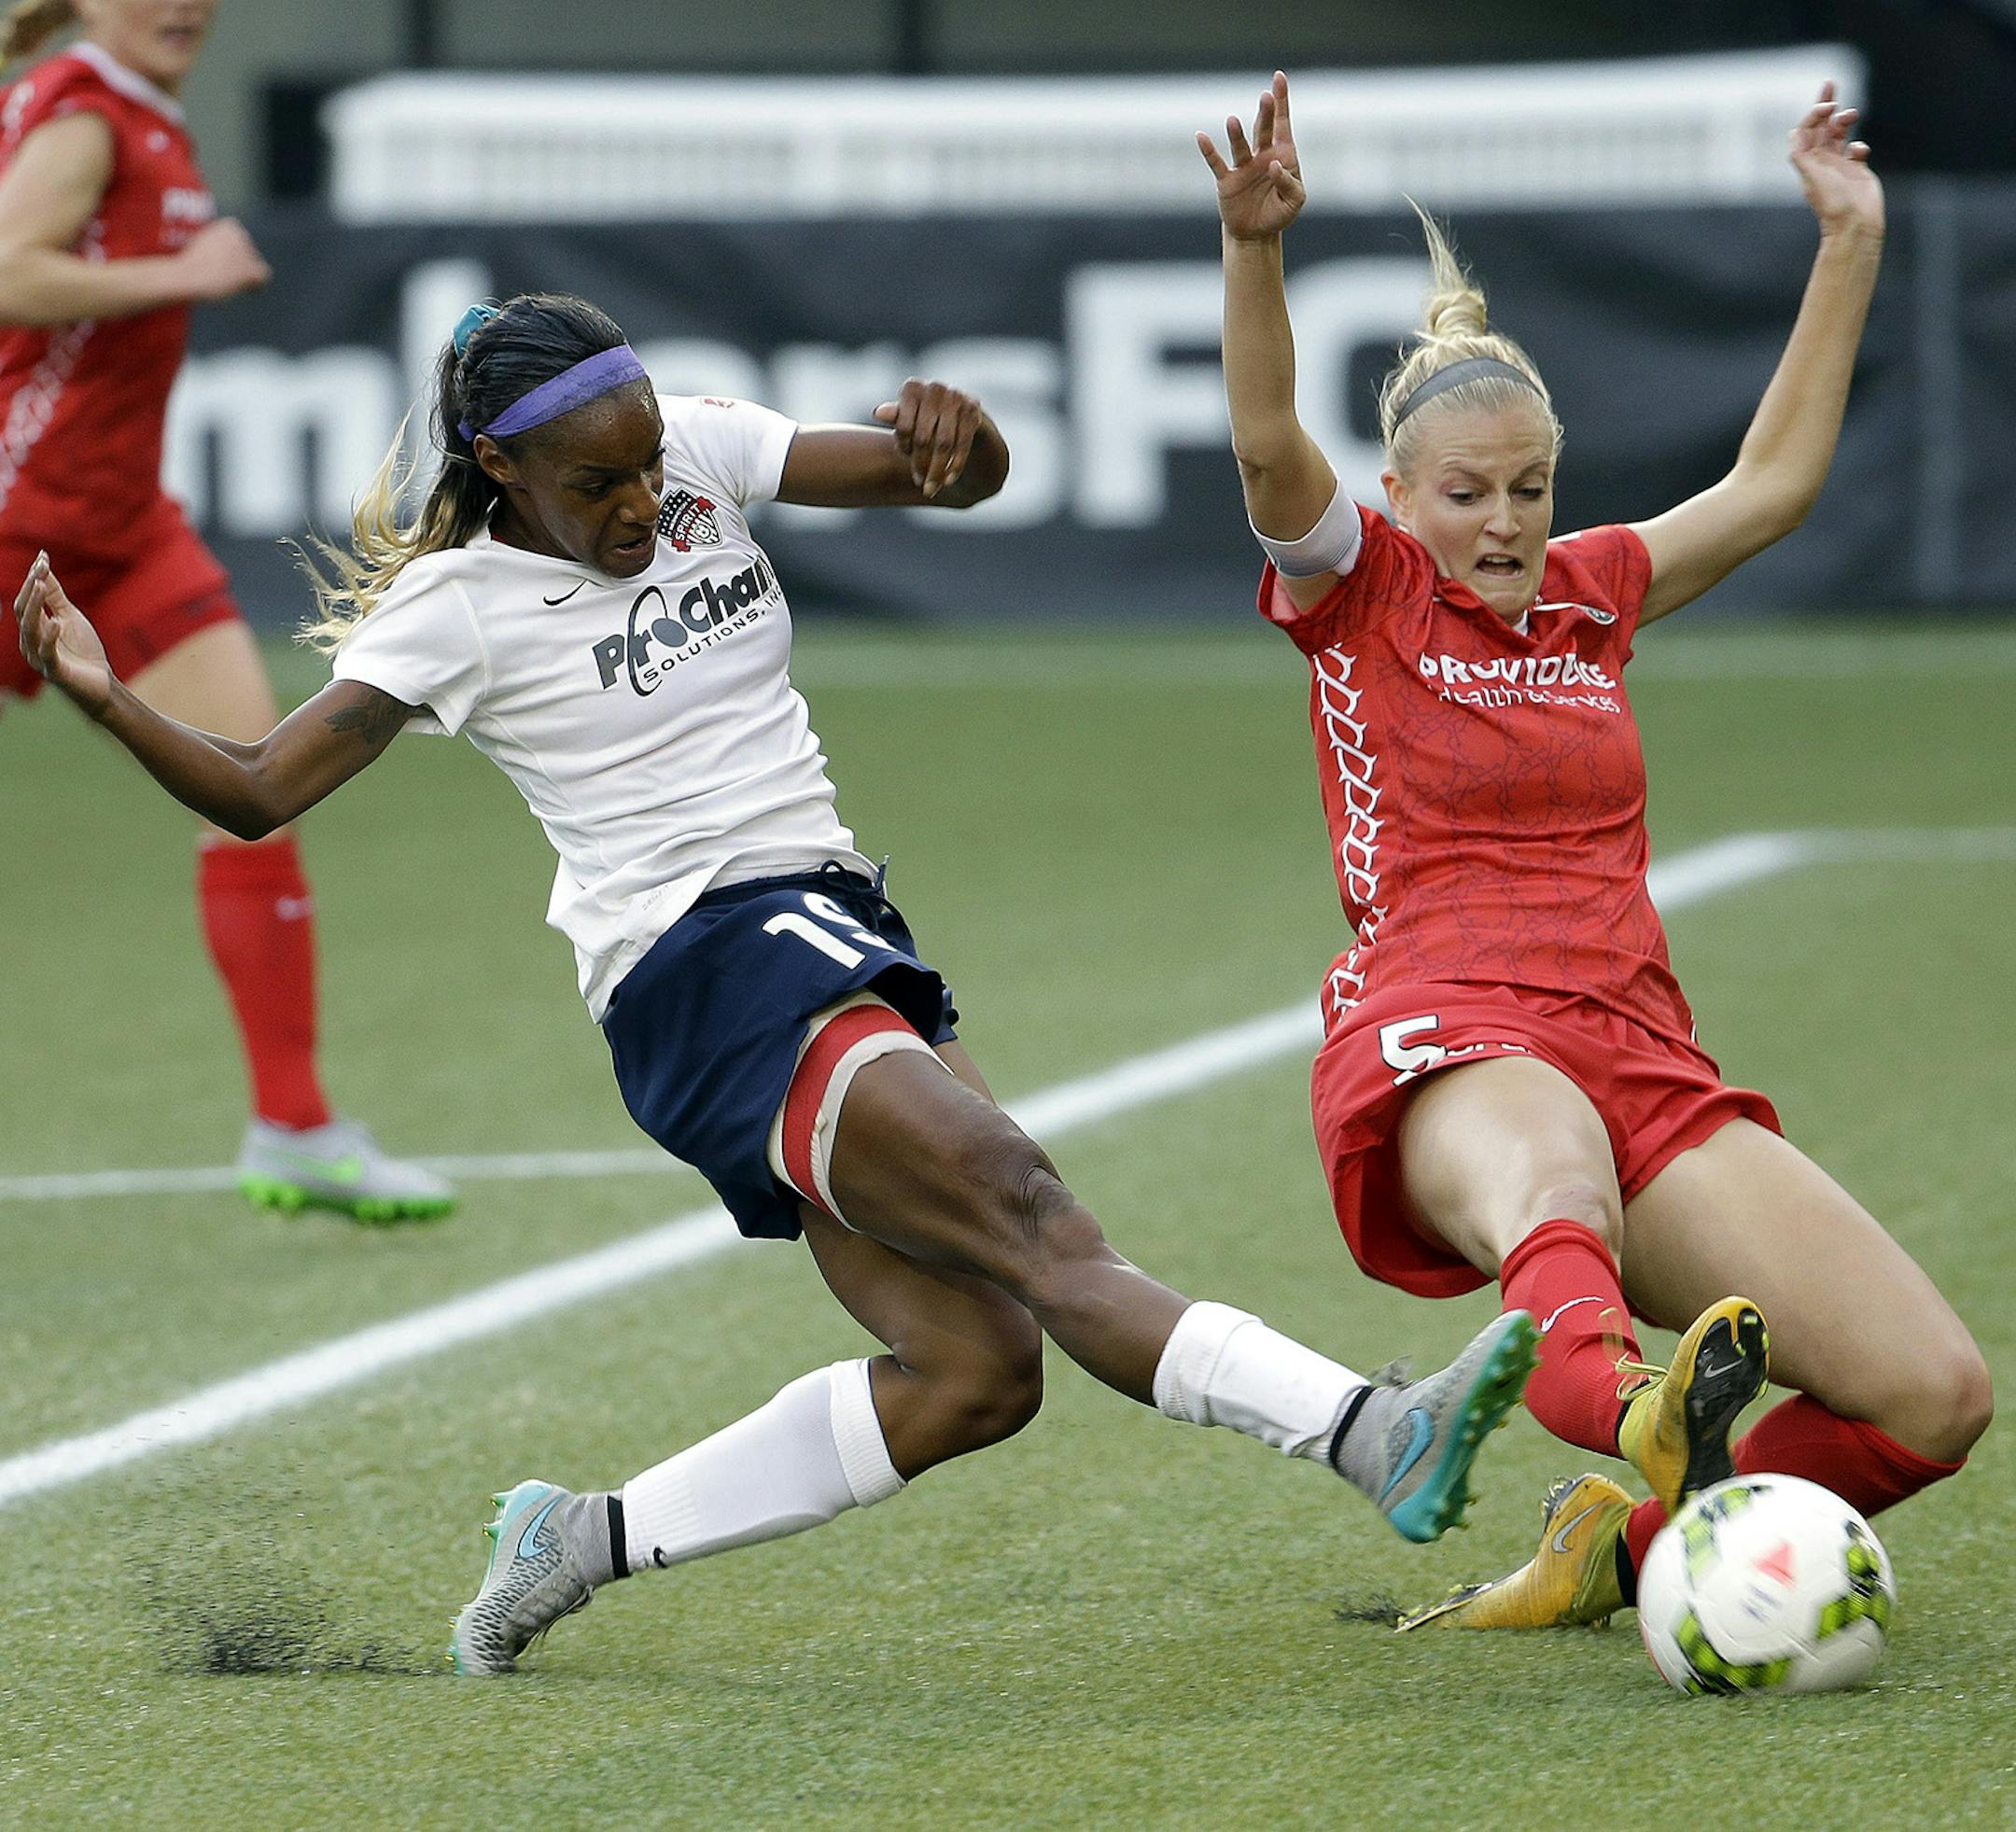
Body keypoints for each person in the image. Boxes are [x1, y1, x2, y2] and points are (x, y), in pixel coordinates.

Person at [15, 289, 1542, 1674]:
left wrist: (969, 437)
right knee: (1029, 1210)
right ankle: (1369, 1432)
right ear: (500, 465)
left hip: (825, 922)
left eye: (645, 465)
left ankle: (578, 1538)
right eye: (595, 484)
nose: (640, 501)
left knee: (973, 1375)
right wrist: (99, 696)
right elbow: (258, 789)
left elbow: (946, 479)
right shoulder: (457, 609)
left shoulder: (698, 454)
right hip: (703, 967)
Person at [1197, 72, 1991, 1633]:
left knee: (1933, 1395)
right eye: (1467, 493)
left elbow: (1772, 489)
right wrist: (1254, 252)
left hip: (1640, 1047)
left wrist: (1847, 240)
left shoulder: (1591, 593)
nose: (1503, 523)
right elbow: (1262, 436)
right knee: (1552, 1164)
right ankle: (1626, 1399)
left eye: (1530, 488)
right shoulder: (1357, 589)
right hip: (1445, 1031)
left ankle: (1619, 1552)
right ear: (1402, 496)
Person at [0, 0, 450, 1222]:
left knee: (252, 781)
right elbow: (11, 271)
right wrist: (184, 273)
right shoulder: (86, 110)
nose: (183, 5)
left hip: (118, 523)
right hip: (13, 504)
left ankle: (294, 1124)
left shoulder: (142, 112)